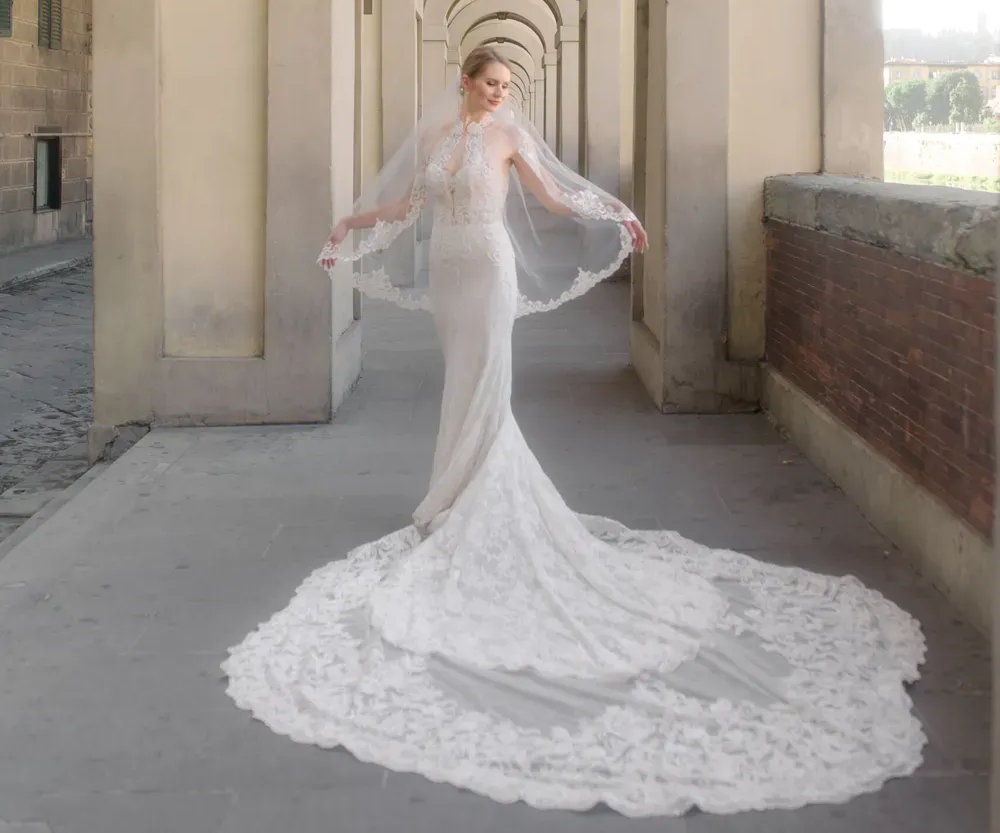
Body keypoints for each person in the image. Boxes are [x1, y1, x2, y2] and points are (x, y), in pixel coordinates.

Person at [224, 46, 925, 818]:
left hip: (491, 268)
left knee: (490, 379)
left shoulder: (507, 139)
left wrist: (615, 212)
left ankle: (478, 493)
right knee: (461, 379)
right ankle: (455, 491)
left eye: (505, 87)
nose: (498, 95)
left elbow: (555, 199)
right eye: (489, 84)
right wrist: (347, 226)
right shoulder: (434, 141)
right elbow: (405, 212)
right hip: (451, 273)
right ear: (464, 81)